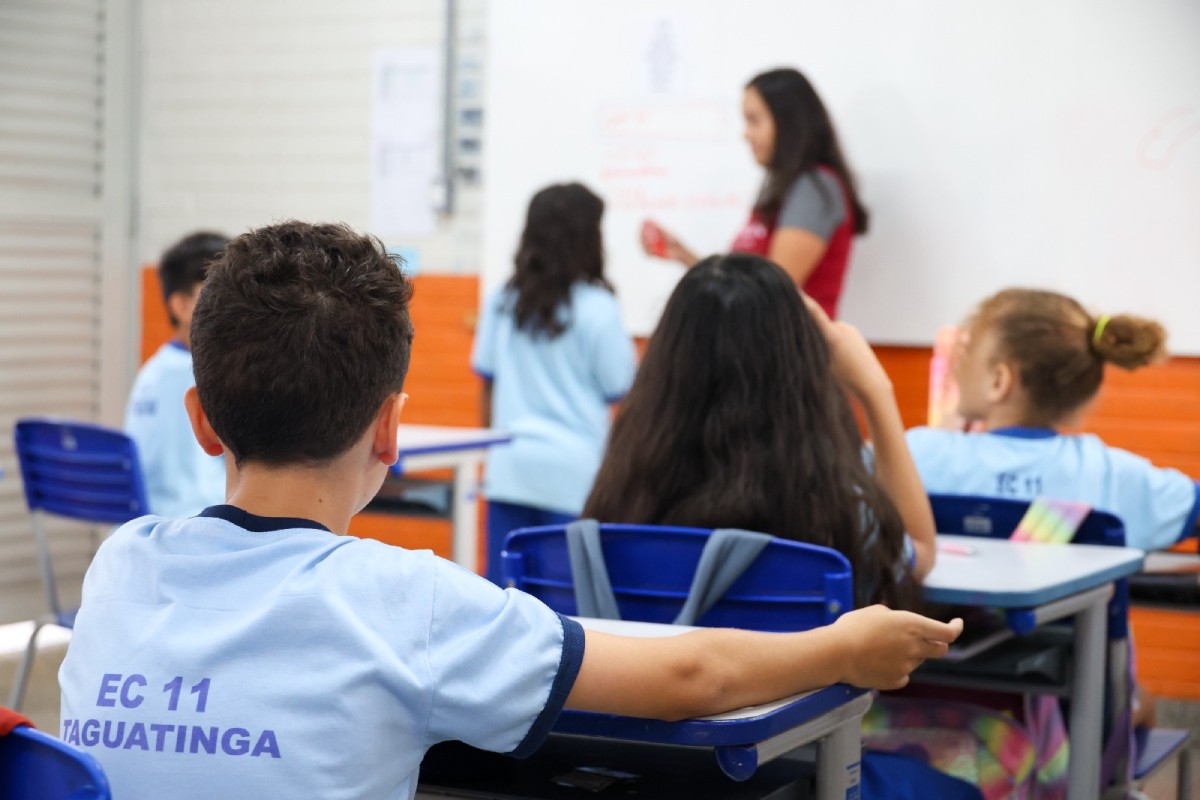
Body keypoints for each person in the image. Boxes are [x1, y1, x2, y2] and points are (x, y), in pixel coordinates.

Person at [58, 221, 961, 800]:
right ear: (389, 429)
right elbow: (693, 681)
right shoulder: (401, 598)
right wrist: (849, 647)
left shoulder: (121, 566)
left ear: (202, 423)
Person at [584, 253, 937, 609]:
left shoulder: (617, 509)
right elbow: (919, 556)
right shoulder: (838, 518)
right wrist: (875, 390)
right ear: (802, 372)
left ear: (661, 369)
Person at [907, 287, 1200, 552]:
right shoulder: (1107, 472)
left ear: (999, 381)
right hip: (1074, 614)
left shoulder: (920, 454)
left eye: (966, 356)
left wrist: (943, 435)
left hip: (938, 614)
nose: (957, 370)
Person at [473, 182, 637, 584]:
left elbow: (487, 389)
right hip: (574, 479)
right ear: (588, 238)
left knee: (503, 606)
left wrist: (491, 453)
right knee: (571, 613)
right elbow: (623, 390)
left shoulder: (503, 301)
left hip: (510, 471)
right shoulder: (599, 308)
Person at [641, 67, 869, 318]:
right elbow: (740, 289)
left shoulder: (813, 189)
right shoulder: (784, 188)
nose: (745, 133)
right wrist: (683, 255)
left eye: (754, 120)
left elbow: (768, 293)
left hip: (792, 352)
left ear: (787, 122)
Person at [124, 231, 229, 518]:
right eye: (219, 293)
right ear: (181, 306)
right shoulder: (201, 374)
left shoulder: (153, 370)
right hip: (192, 526)